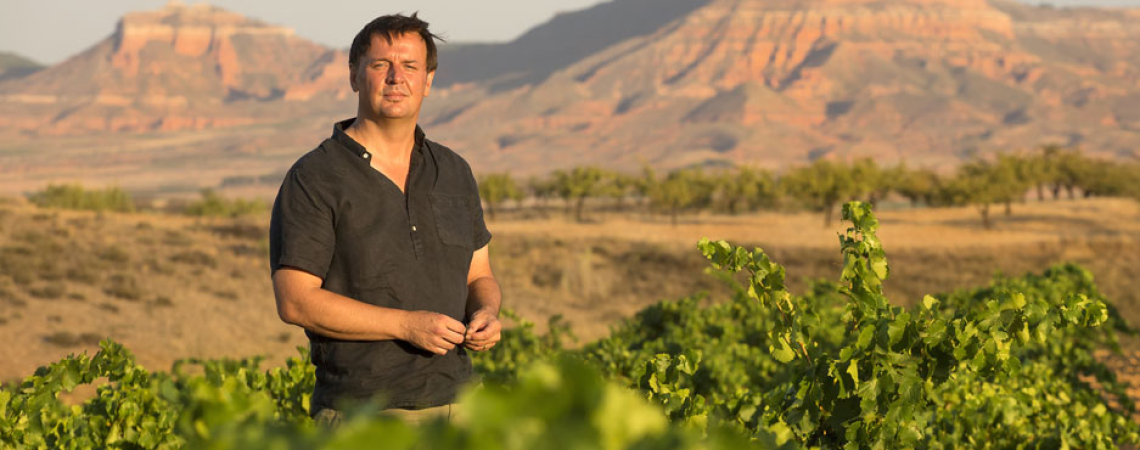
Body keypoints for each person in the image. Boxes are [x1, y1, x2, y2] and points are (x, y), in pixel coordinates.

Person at [268, 13, 501, 426]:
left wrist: (486, 311)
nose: (397, 77)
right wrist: (407, 326)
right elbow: (295, 300)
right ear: (354, 76)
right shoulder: (315, 177)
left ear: (428, 80)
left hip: (462, 407)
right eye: (381, 65)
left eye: (410, 66)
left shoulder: (453, 170)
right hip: (364, 413)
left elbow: (478, 275)